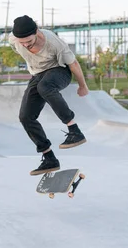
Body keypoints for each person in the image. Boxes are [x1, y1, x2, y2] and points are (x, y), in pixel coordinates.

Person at [9, 15, 89, 176]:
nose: (25, 45)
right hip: (38, 74)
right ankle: (49, 158)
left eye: (28, 42)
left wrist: (82, 85)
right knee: (25, 116)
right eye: (21, 42)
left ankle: (75, 130)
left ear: (36, 32)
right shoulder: (14, 39)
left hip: (60, 71)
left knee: (44, 86)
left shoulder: (53, 42)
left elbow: (73, 63)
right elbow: (21, 42)